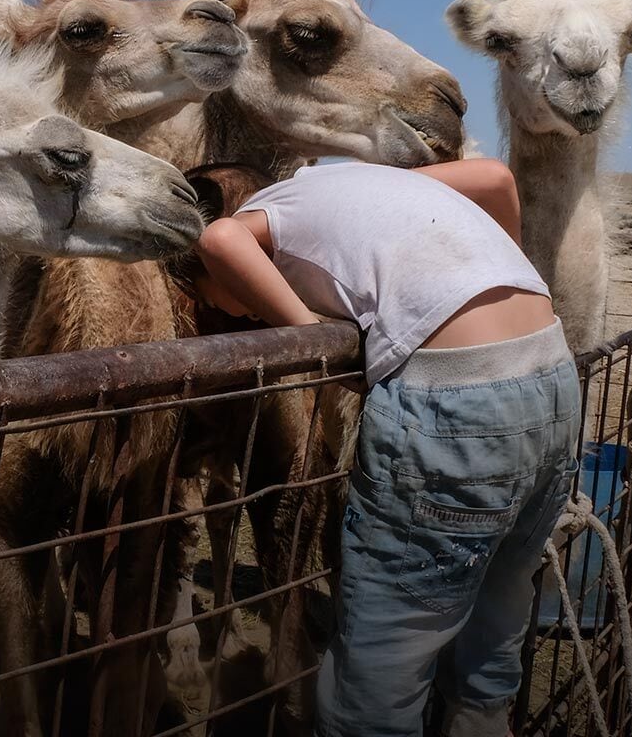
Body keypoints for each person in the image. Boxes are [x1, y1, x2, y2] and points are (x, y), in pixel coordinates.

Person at [176, 158, 581, 737]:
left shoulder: (265, 215)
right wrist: (499, 282)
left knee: (384, 653)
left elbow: (219, 240)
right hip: (550, 373)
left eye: (215, 295)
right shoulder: (354, 183)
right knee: (499, 601)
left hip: (458, 400)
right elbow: (496, 178)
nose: (228, 308)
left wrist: (316, 342)